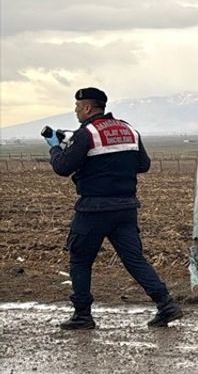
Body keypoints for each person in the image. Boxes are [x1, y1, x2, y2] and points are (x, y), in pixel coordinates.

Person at [46, 87, 183, 330]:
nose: (76, 111)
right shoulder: (129, 130)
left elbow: (63, 168)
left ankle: (82, 315)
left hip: (93, 209)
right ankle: (166, 304)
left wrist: (55, 147)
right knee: (134, 259)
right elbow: (143, 165)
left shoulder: (86, 134)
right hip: (126, 207)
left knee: (80, 259)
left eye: (78, 107)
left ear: (87, 108)